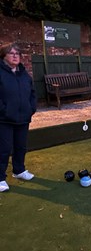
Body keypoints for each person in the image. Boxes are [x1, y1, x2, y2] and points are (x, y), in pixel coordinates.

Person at [0, 42, 37, 192]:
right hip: (4, 118)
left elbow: (32, 93)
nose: (16, 56)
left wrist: (31, 108)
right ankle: (0, 178)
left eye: (18, 54)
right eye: (12, 53)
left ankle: (19, 170)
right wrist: (4, 110)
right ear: (4, 56)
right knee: (3, 149)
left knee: (21, 146)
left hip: (23, 117)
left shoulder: (23, 73)